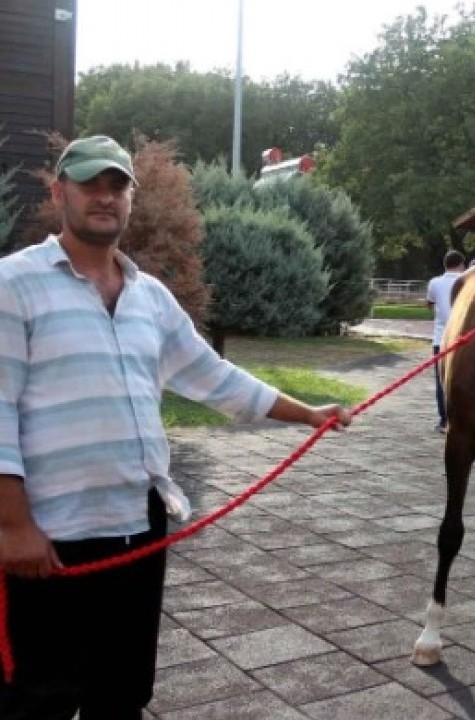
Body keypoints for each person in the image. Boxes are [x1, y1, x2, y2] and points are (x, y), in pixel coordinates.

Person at [0, 135, 353, 719]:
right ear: (59, 191)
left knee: (122, 693)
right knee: (38, 698)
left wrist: (307, 412)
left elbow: (213, 376)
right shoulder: (12, 284)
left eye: (118, 186)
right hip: (48, 537)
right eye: (91, 183)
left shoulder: (150, 297)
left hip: (139, 528)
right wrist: (12, 527)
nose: (105, 197)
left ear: (131, 200)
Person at [426, 249, 466, 433]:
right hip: (465, 337)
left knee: (441, 381)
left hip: (441, 338)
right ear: (460, 264)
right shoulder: (467, 279)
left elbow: (430, 304)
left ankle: (444, 420)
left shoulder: (434, 282)